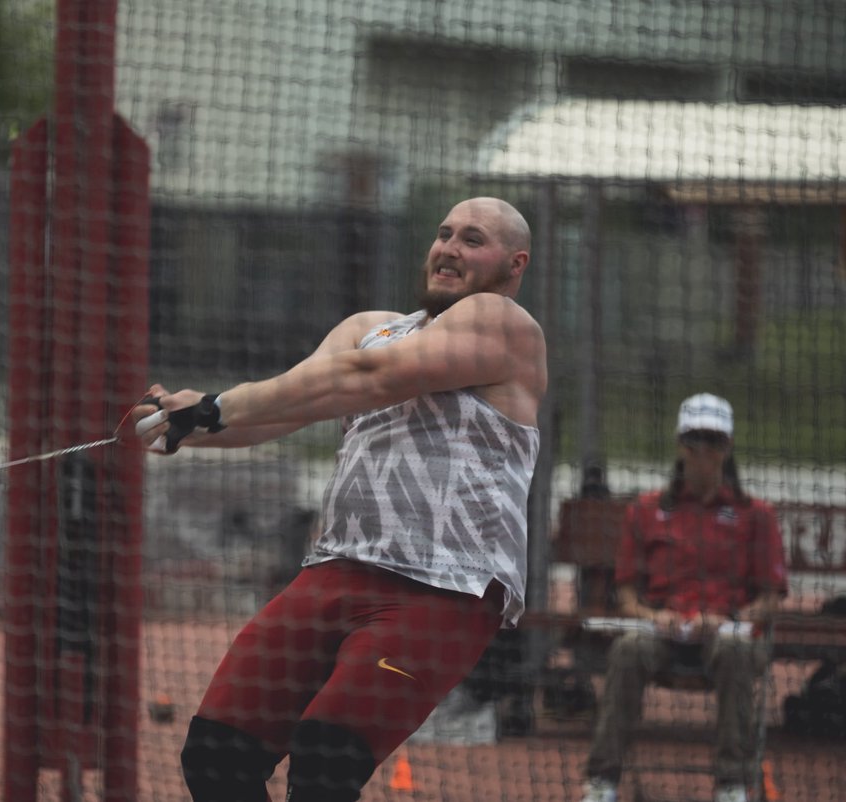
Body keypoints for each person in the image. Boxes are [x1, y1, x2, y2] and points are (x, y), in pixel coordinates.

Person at [131, 197, 546, 802]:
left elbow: (367, 380)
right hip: (333, 572)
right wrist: (185, 425)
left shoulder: (502, 322)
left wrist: (219, 405)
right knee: (215, 759)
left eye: (472, 239)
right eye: (443, 232)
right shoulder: (368, 329)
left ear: (514, 265)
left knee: (324, 768)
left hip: (440, 591)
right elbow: (288, 408)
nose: (449, 248)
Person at [579, 394, 787, 802]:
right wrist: (653, 616)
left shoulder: (756, 515)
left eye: (713, 442)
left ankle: (731, 784)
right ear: (680, 445)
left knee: (733, 647)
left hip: (729, 637)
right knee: (628, 648)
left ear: (727, 448)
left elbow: (770, 597)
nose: (703, 452)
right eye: (695, 441)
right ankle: (602, 781)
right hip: (664, 637)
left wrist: (731, 618)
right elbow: (624, 592)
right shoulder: (646, 510)